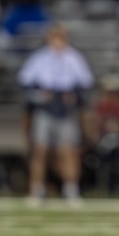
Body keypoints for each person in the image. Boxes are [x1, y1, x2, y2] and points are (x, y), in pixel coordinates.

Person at [18, 23, 95, 204]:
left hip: (66, 106)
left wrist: (73, 94)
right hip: (46, 106)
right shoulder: (40, 58)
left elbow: (86, 80)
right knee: (40, 150)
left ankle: (71, 189)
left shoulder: (73, 57)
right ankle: (37, 189)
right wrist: (40, 94)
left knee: (68, 150)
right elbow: (25, 79)